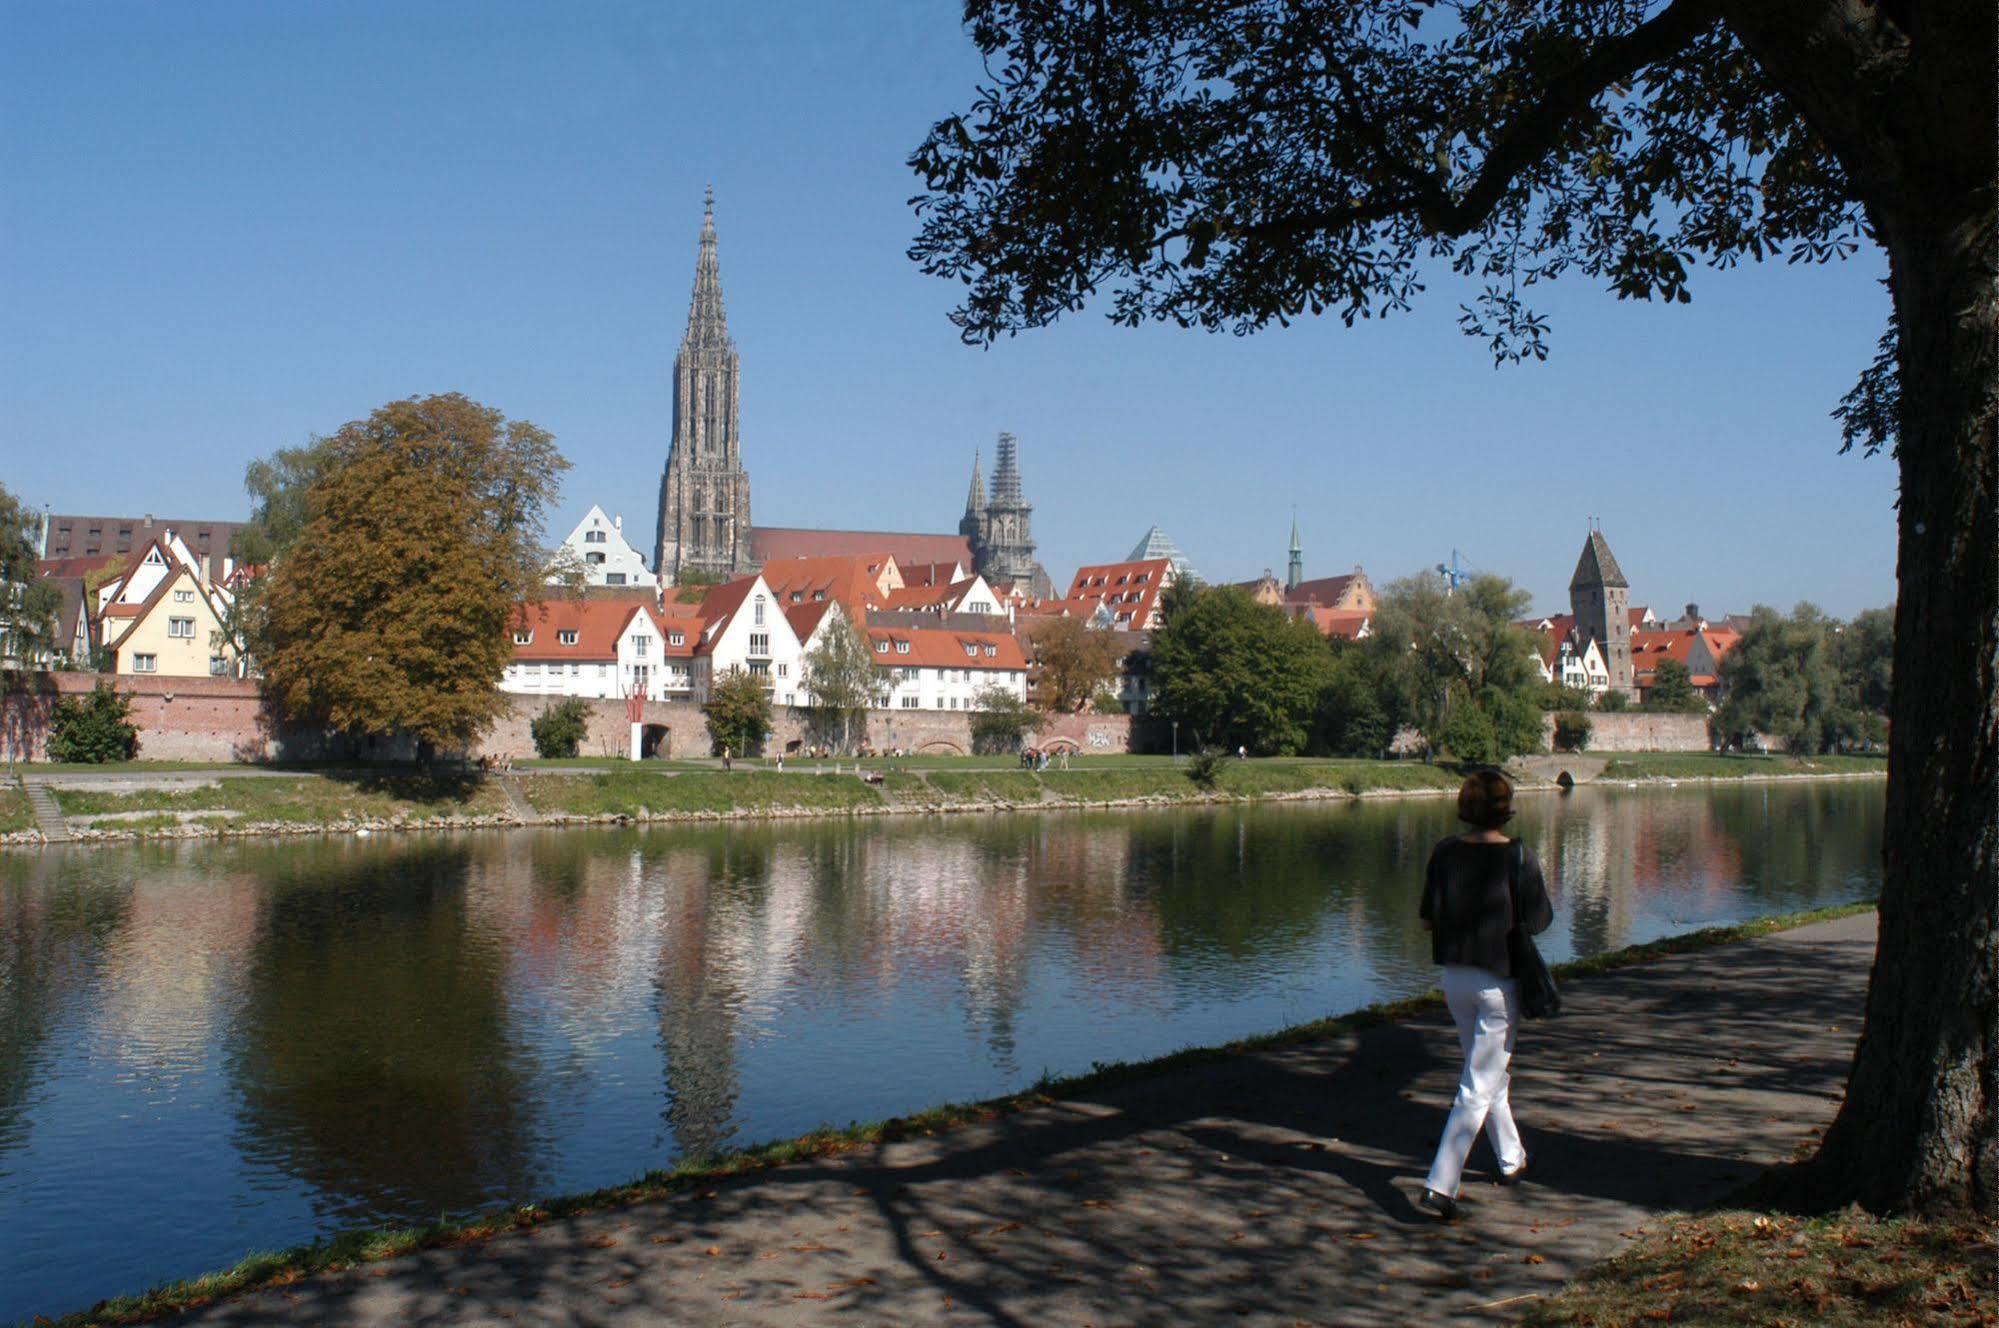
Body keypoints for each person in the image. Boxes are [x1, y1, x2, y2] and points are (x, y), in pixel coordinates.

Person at [1417, 769, 1553, 1221]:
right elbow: (1539, 921)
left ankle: (1511, 1159)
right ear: (1505, 809)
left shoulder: (1443, 853)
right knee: (1477, 1085)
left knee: (1489, 1075)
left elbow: (1426, 920)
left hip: (1455, 980)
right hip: (1498, 984)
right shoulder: (1517, 856)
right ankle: (1441, 1185)